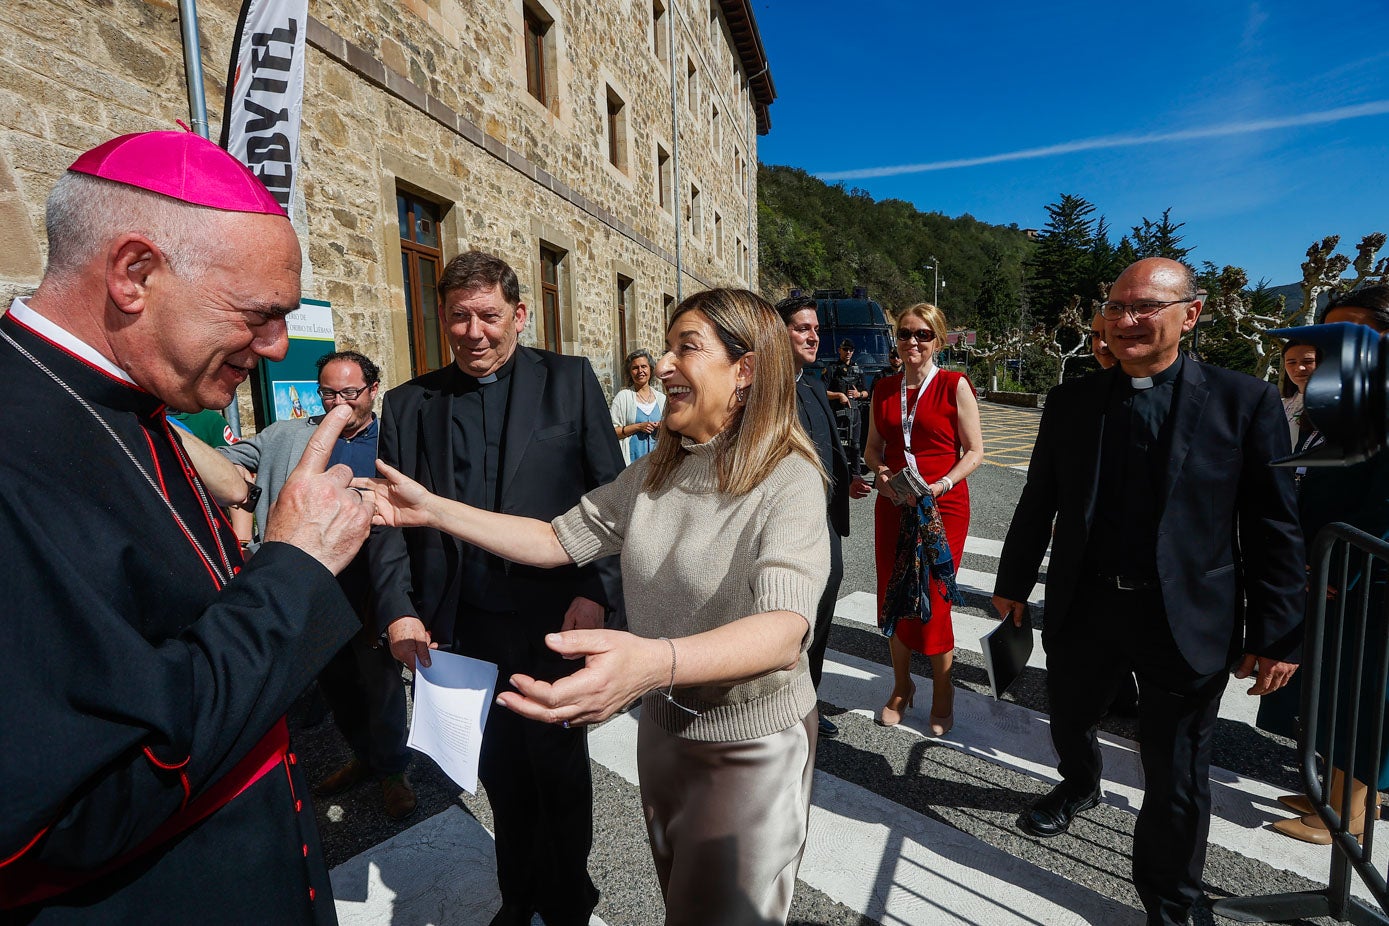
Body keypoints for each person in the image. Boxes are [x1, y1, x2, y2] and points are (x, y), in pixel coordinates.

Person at [361, 287, 829, 926]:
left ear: (743, 370)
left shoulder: (789, 479)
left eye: (685, 348)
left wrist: (649, 664)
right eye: (666, 347)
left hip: (750, 745)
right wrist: (432, 509)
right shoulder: (659, 471)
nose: (662, 365)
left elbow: (782, 633)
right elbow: (555, 538)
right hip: (664, 734)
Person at [0, 130, 374, 921]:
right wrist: (294, 568)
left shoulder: (135, 403)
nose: (276, 350)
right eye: (258, 315)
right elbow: (72, 809)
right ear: (135, 273)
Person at [992, 258, 1304, 926]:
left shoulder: (1241, 402)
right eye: (1116, 307)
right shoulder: (1071, 401)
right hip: (1086, 607)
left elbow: (1273, 522)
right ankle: (1078, 785)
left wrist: (1275, 632)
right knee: (1070, 716)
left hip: (1186, 619)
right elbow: (1037, 497)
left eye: (1145, 308)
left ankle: (1173, 905)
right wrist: (1011, 584)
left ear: (1188, 315)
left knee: (1176, 770)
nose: (1126, 320)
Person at [369, 250, 624, 926]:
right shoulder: (406, 403)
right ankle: (518, 898)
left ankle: (569, 902)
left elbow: (611, 497)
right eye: (459, 317)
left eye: (488, 316)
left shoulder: (568, 383)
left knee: (560, 774)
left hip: (554, 617)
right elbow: (388, 525)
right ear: (443, 318)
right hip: (461, 629)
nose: (473, 332)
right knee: (500, 778)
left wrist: (598, 590)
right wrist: (397, 611)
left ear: (518, 314)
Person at [186, 350, 416, 821]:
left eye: (350, 393)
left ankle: (394, 771)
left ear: (373, 390)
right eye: (328, 392)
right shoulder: (288, 434)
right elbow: (222, 461)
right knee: (338, 686)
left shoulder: (394, 440)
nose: (338, 403)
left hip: (373, 586)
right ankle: (364, 758)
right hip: (313, 586)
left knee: (382, 686)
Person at [1269, 285, 1389, 845]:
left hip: (1368, 577)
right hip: (1340, 565)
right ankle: (1333, 793)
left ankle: (1349, 813)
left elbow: (1382, 504)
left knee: (1366, 695)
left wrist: (1336, 569)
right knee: (1340, 689)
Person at [865, 303, 983, 735]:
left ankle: (944, 691)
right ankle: (901, 686)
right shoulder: (882, 389)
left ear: (937, 339)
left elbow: (974, 452)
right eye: (905, 333)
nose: (912, 342)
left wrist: (943, 484)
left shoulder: (954, 385)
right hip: (896, 503)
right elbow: (872, 449)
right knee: (894, 595)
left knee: (934, 599)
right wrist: (880, 474)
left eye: (923, 334)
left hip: (942, 505)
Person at [776, 295, 870, 738]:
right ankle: (778, 707)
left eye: (815, 329)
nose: (813, 336)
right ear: (780, 334)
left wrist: (849, 478)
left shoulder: (813, 384)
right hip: (783, 529)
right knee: (787, 618)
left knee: (823, 612)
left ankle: (807, 701)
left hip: (824, 522)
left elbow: (830, 441)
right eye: (802, 328)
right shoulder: (765, 392)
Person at [610, 348, 665, 464]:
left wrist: (662, 426)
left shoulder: (661, 399)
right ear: (630, 373)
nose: (640, 371)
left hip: (658, 465)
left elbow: (672, 430)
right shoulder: (623, 397)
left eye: (644, 366)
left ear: (650, 369)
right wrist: (638, 427)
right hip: (631, 463)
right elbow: (611, 432)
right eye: (635, 368)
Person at [825, 338, 868, 472]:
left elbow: (866, 392)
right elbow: (822, 391)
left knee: (855, 446)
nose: (848, 352)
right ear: (840, 350)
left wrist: (858, 394)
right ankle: (836, 474)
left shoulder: (858, 370)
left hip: (854, 413)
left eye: (850, 350)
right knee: (837, 446)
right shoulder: (831, 369)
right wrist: (839, 395)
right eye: (845, 349)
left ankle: (856, 476)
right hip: (837, 413)